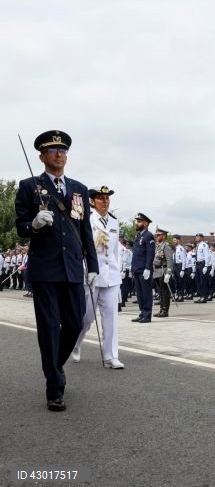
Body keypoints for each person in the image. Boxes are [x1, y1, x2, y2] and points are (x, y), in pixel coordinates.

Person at [14, 130, 99, 411]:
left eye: (63, 150)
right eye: (53, 150)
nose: (59, 154)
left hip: (73, 268)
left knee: (76, 323)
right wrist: (34, 225)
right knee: (49, 329)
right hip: (45, 270)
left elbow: (84, 229)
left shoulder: (78, 189)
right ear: (42, 156)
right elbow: (21, 227)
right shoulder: (29, 186)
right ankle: (54, 386)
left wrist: (93, 265)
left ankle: (54, 366)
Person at [72, 185, 124, 368]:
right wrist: (84, 271)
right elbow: (81, 249)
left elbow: (116, 251)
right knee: (86, 318)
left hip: (111, 277)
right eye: (101, 198)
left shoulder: (114, 222)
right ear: (92, 202)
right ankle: (75, 344)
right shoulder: (86, 220)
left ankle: (111, 356)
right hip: (91, 276)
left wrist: (120, 271)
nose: (105, 201)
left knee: (111, 318)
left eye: (107, 198)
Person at [131, 213, 155, 323]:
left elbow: (150, 253)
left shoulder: (148, 236)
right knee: (139, 293)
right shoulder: (139, 236)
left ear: (145, 223)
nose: (137, 223)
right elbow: (136, 254)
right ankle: (142, 312)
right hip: (137, 269)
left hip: (144, 269)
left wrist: (148, 268)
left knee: (146, 293)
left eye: (139, 221)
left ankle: (147, 314)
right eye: (137, 221)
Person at [152, 228, 174, 318]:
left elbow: (169, 260)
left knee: (165, 292)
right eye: (156, 235)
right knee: (160, 292)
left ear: (164, 236)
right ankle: (161, 309)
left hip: (163, 271)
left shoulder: (166, 246)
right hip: (157, 271)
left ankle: (165, 310)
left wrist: (169, 273)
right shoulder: (158, 246)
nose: (156, 236)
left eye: (158, 235)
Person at [193, 232, 212, 303]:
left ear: (202, 238)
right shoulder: (197, 245)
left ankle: (204, 297)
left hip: (202, 264)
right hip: (198, 264)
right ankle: (201, 296)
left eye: (198, 237)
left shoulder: (204, 245)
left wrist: (206, 266)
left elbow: (207, 256)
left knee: (203, 281)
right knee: (198, 281)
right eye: (196, 237)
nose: (196, 238)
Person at [172, 234, 186, 302]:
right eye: (173, 240)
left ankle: (181, 295)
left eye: (175, 240)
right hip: (175, 265)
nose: (174, 241)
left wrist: (183, 269)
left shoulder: (181, 248)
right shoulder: (174, 248)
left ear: (178, 240)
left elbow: (184, 259)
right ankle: (177, 294)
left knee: (180, 281)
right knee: (176, 281)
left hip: (179, 266)